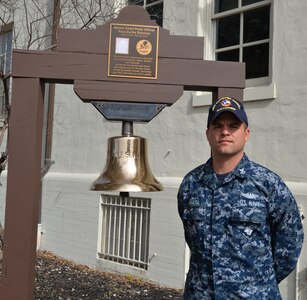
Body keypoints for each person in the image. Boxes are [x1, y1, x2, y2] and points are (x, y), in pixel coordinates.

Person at [177, 96, 304, 299]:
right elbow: (193, 241)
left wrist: (256, 282)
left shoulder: (269, 184)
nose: (225, 132)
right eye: (217, 126)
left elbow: (289, 246)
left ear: (246, 134)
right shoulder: (191, 184)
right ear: (207, 134)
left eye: (233, 126)